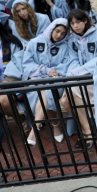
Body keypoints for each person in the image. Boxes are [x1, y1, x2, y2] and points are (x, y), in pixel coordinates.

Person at [62, 9, 97, 149]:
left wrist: (79, 72)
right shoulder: (72, 39)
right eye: (72, 23)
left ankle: (89, 132)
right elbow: (72, 59)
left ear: (86, 20)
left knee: (71, 92)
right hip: (79, 77)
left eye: (78, 22)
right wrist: (76, 72)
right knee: (65, 101)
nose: (75, 26)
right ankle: (88, 129)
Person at [22, 18, 71, 146]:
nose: (59, 35)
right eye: (57, 31)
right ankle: (55, 125)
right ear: (52, 28)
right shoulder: (35, 42)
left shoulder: (66, 47)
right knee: (44, 92)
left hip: (56, 81)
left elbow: (66, 65)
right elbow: (27, 64)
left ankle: (35, 128)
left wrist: (52, 74)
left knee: (48, 90)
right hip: (36, 80)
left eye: (63, 34)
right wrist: (46, 71)